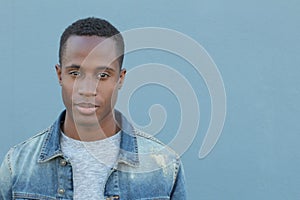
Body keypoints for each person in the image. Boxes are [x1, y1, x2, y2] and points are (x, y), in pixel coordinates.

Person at [0, 17, 186, 200]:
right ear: (60, 75)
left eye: (103, 75)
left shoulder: (164, 167)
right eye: (75, 73)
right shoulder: (17, 165)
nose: (88, 89)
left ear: (120, 79)